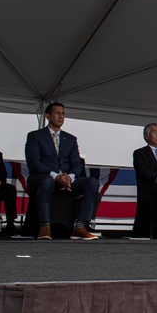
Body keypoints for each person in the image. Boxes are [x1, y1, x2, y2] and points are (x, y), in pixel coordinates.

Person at [25, 102, 100, 240]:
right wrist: (55, 176)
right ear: (47, 115)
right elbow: (33, 162)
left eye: (63, 113)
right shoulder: (35, 136)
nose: (61, 116)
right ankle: (45, 227)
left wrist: (70, 177)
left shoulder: (70, 139)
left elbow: (77, 163)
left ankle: (80, 227)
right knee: (47, 181)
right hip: (44, 177)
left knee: (92, 182)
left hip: (66, 179)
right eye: (57, 113)